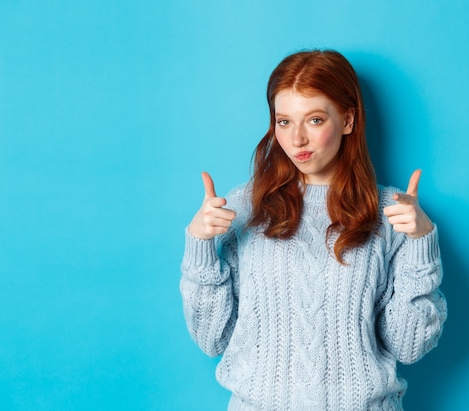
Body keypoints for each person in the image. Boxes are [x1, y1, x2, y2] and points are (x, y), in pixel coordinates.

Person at [180, 49, 447, 411]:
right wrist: (199, 246)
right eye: (285, 121)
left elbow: (409, 346)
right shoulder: (244, 208)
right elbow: (213, 339)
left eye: (315, 120)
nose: (297, 139)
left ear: (348, 120)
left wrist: (421, 242)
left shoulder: (392, 214)